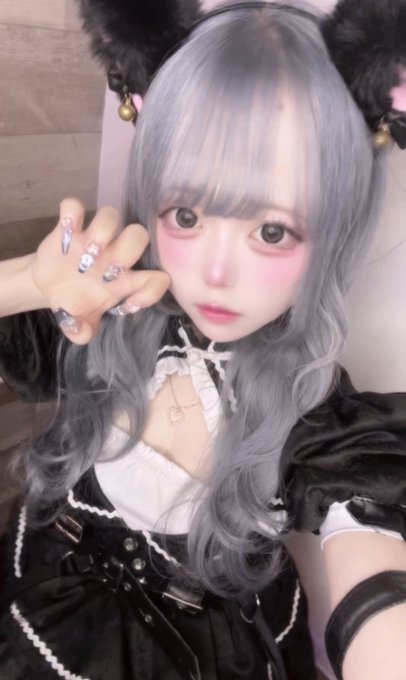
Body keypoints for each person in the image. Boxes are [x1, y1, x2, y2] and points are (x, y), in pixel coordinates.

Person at [0, 1, 405, 679]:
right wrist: (30, 283)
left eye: (271, 231)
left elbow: (376, 589)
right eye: (186, 215)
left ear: (333, 232)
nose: (215, 274)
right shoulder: (107, 314)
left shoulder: (322, 422)